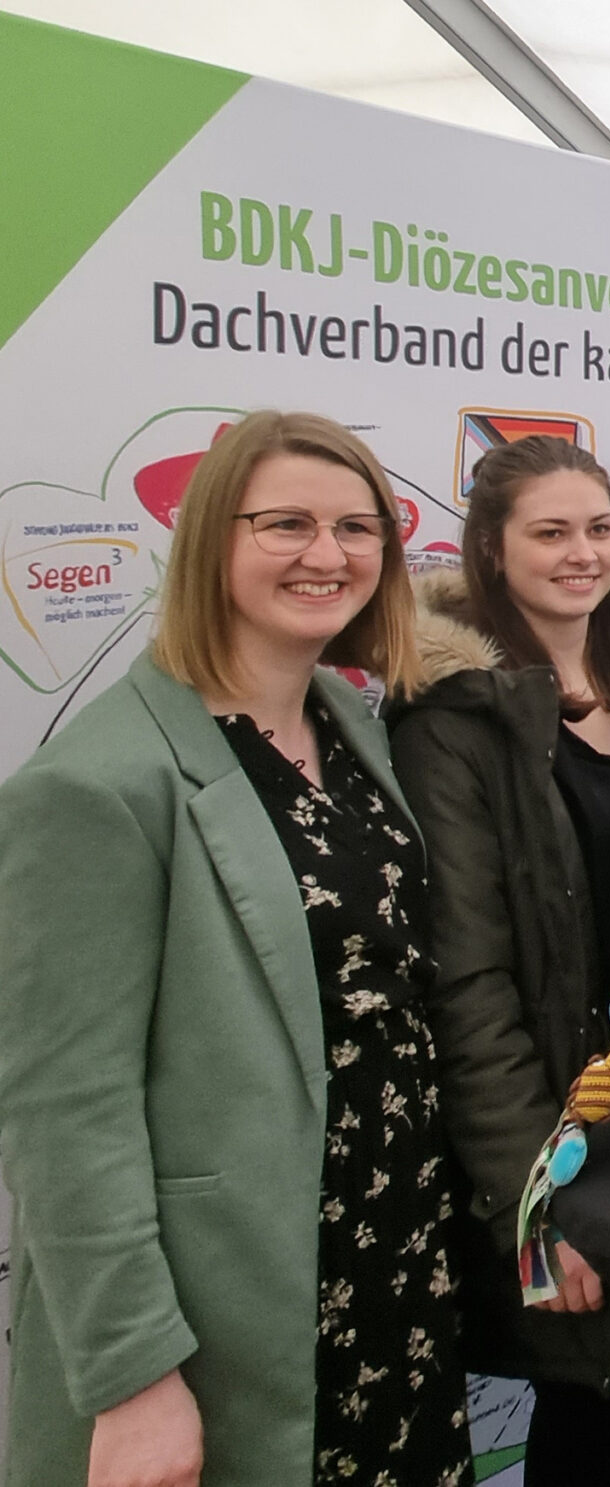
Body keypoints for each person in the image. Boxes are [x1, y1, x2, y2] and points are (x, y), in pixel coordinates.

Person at [0, 411, 470, 1486]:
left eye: (360, 527)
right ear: (212, 537)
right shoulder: (97, 786)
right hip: (239, 1309)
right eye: (287, 523)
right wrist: (132, 1377)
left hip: (389, 1255)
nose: (329, 553)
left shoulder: (348, 724)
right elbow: (65, 1110)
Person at [388, 436, 610, 1486]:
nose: (583, 553)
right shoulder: (456, 718)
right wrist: (539, 1202)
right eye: (552, 532)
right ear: (490, 545)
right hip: (582, 1124)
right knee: (589, 1406)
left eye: (600, 528)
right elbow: (469, 986)